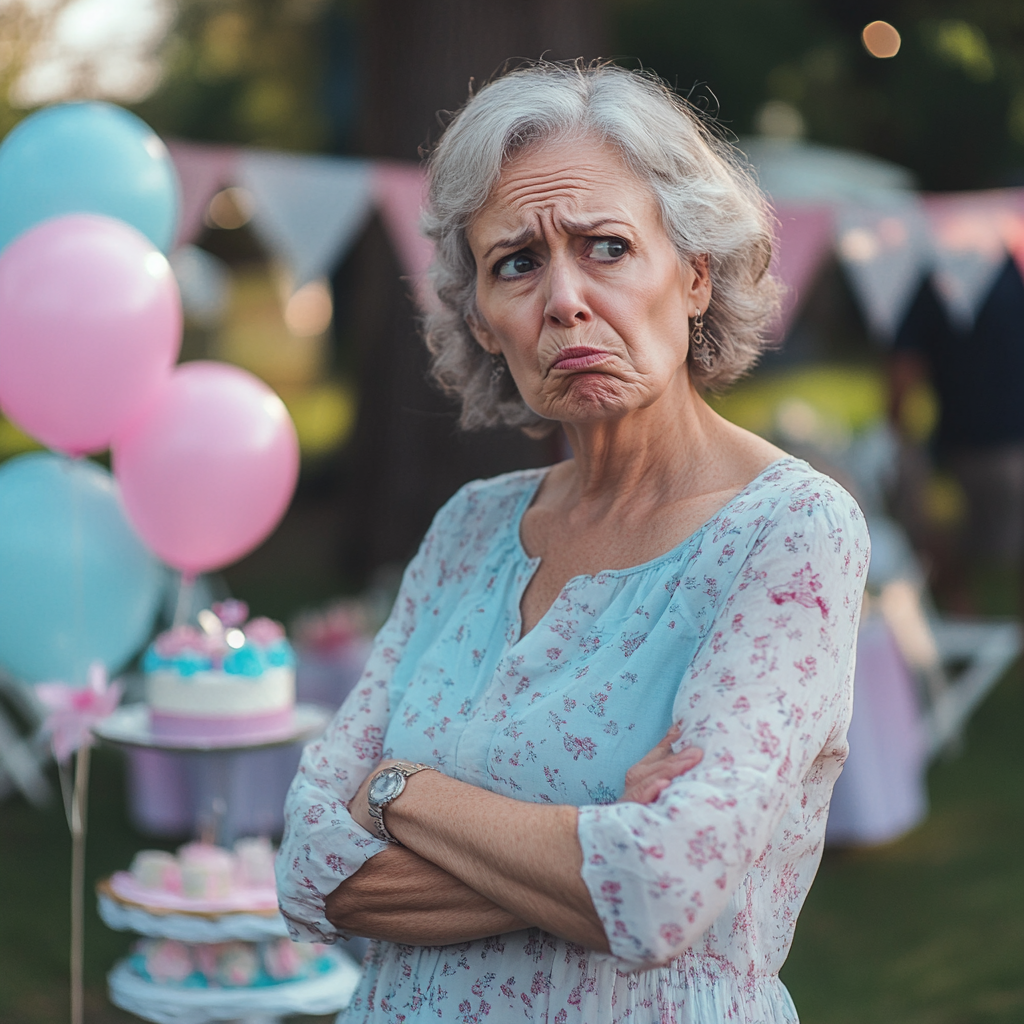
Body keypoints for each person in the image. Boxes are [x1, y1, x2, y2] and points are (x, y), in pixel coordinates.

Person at [276, 62, 869, 1024]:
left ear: (694, 273)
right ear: (482, 318)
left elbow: (663, 890)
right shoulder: (470, 527)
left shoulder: (789, 530)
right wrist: (595, 846)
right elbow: (309, 871)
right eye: (516, 263)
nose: (564, 300)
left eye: (605, 247)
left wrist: (394, 793)